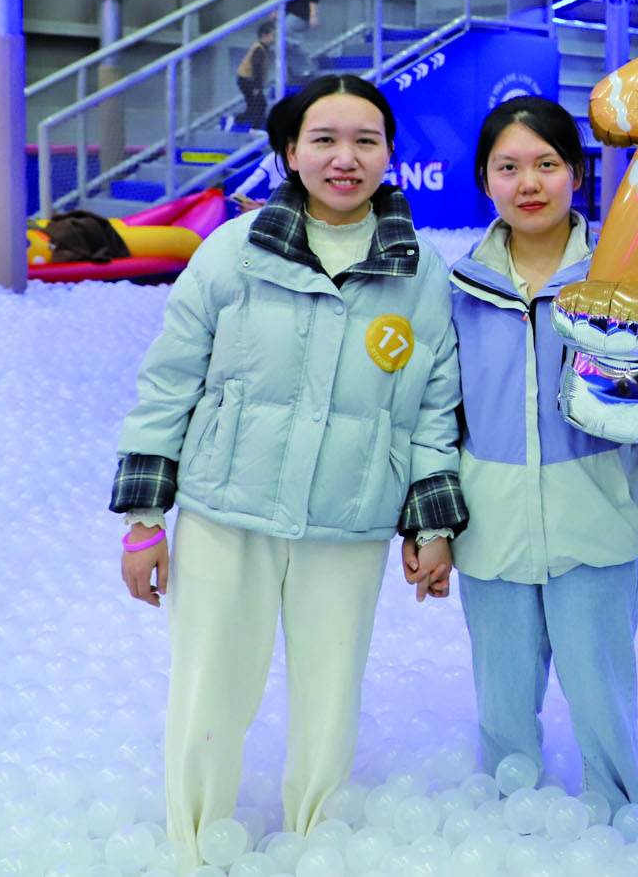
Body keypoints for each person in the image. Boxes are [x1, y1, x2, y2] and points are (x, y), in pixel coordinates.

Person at [109, 74, 464, 870]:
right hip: (224, 513)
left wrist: (431, 523)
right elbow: (168, 382)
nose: (346, 158)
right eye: (324, 140)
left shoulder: (421, 272)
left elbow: (435, 410)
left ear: (389, 154)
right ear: (290, 153)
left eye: (366, 141)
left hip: (349, 519)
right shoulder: (232, 251)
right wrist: (143, 520)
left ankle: (317, 843)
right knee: (210, 686)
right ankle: (194, 844)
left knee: (332, 695)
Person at [447, 95, 638, 809]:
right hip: (491, 525)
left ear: (577, 174)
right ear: (485, 179)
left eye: (546, 164)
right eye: (508, 167)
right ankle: (509, 822)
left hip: (596, 519)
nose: (528, 183)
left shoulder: (623, 279)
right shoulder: (460, 288)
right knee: (502, 704)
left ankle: (619, 821)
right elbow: (440, 414)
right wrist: (431, 523)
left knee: (602, 697)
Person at [234, 20, 277, 131]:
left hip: (247, 80)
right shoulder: (259, 49)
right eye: (273, 35)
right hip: (248, 81)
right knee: (259, 105)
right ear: (264, 35)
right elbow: (257, 67)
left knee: (255, 106)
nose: (275, 38)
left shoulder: (262, 48)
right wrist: (256, 87)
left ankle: (240, 122)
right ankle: (253, 129)